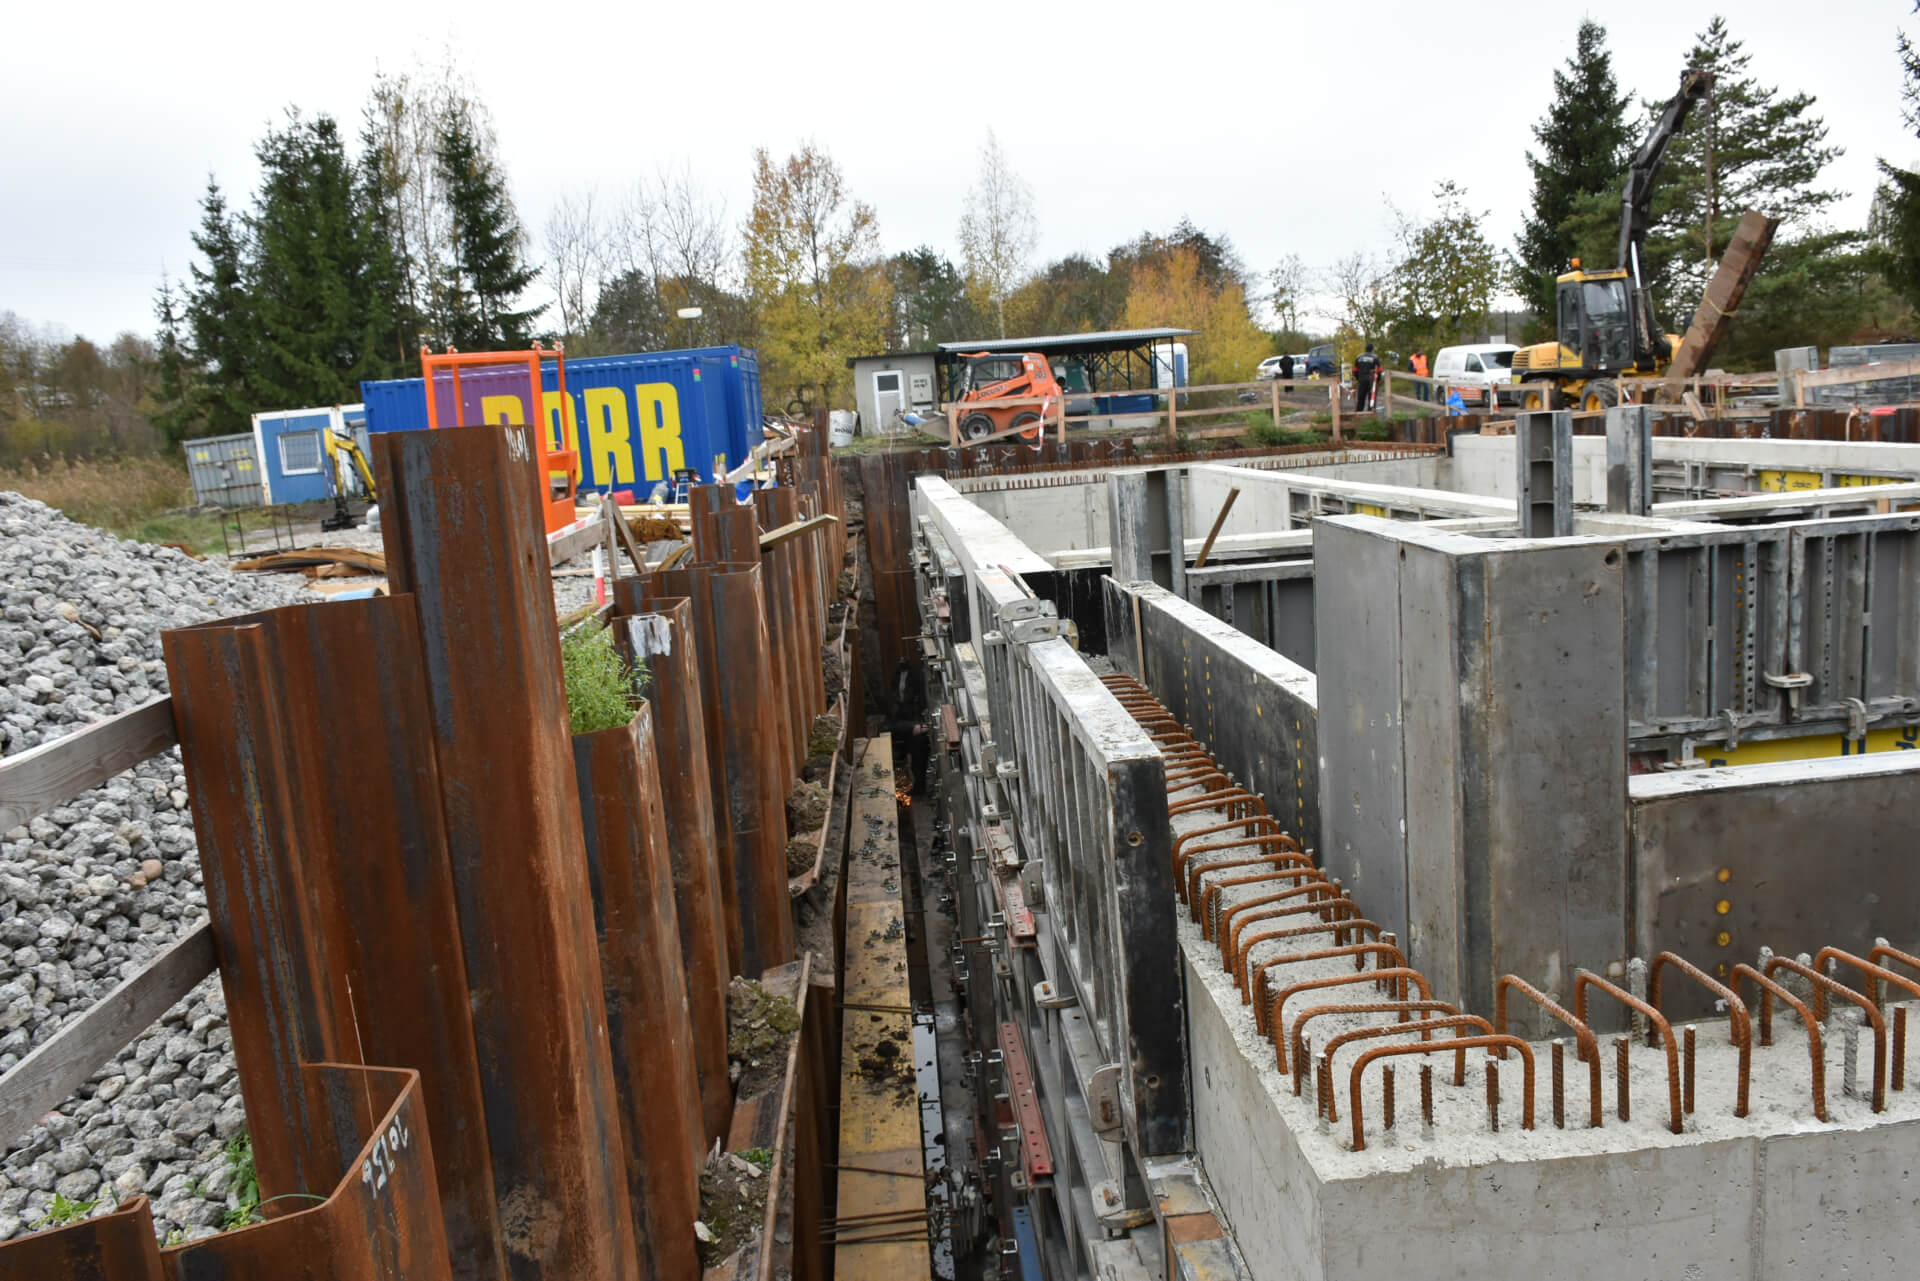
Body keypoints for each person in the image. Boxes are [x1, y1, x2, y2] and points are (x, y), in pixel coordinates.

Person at [889, 657, 931, 794]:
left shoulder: (913, 676)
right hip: (911, 726)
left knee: (918, 761)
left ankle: (919, 788)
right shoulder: (897, 676)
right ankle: (918, 787)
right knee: (915, 760)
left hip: (914, 726)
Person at [1351, 343, 1381, 412]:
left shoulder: (1359, 357)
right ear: (1372, 349)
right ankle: (1370, 413)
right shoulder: (1375, 357)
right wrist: (1378, 380)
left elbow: (1355, 370)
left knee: (1361, 398)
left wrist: (1358, 378)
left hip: (1361, 380)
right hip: (1371, 381)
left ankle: (1359, 413)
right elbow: (1379, 370)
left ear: (1365, 348)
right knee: (1371, 398)